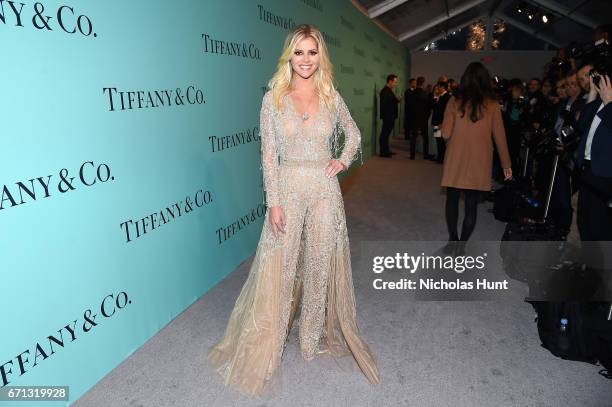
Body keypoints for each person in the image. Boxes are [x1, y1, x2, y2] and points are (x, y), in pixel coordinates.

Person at [206, 24, 380, 397]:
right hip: (287, 187)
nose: (305, 59)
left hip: (323, 190)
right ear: (290, 56)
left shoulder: (331, 95)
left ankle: (309, 339)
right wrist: (274, 202)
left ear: (321, 57)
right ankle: (271, 340)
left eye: (312, 52)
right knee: (281, 267)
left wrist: (342, 160)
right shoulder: (274, 98)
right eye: (298, 52)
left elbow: (354, 135)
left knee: (319, 263)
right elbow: (269, 155)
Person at [440, 62, 512, 254]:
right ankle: (462, 246)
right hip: (479, 162)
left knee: (452, 201)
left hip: (456, 159)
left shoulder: (453, 102)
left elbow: (446, 133)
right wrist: (507, 165)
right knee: (471, 205)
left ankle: (453, 240)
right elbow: (500, 137)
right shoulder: (493, 105)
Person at [575, 74, 612, 241]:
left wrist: (609, 103)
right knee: (584, 221)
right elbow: (581, 124)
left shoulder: (608, 103)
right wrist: (592, 94)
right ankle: (589, 264)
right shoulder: (599, 101)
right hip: (588, 168)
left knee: (599, 225)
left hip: (605, 173)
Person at [409, 76, 433, 160]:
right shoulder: (425, 94)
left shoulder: (412, 93)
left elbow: (410, 106)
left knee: (413, 137)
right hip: (423, 118)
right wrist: (426, 116)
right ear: (423, 83)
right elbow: (428, 107)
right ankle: (425, 155)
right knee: (425, 137)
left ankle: (412, 155)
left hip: (414, 117)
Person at [379, 74, 400, 157]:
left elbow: (391, 101)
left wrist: (396, 100)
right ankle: (383, 152)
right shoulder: (385, 91)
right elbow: (384, 105)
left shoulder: (389, 91)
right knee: (384, 134)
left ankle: (386, 150)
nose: (395, 84)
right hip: (388, 117)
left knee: (386, 134)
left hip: (390, 116)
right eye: (395, 82)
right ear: (390, 81)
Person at [431, 80, 451, 163]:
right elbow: (434, 107)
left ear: (442, 87)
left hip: (440, 122)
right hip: (437, 121)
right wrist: (435, 97)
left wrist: (441, 122)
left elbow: (443, 111)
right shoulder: (442, 96)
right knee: (438, 140)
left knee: (440, 141)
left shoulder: (447, 97)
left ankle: (441, 158)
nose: (437, 88)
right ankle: (440, 157)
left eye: (438, 87)